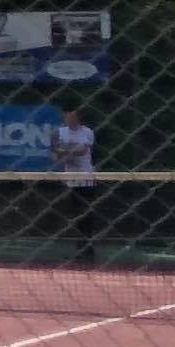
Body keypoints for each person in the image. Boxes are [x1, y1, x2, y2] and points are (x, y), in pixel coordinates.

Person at [52, 98, 100, 264]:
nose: (69, 119)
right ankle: (81, 250)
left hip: (86, 179)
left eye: (72, 116)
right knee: (75, 216)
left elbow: (83, 150)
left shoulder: (87, 132)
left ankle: (88, 249)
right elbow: (55, 155)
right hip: (70, 180)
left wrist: (65, 152)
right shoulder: (59, 132)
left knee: (87, 215)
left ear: (78, 117)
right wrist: (62, 153)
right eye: (66, 117)